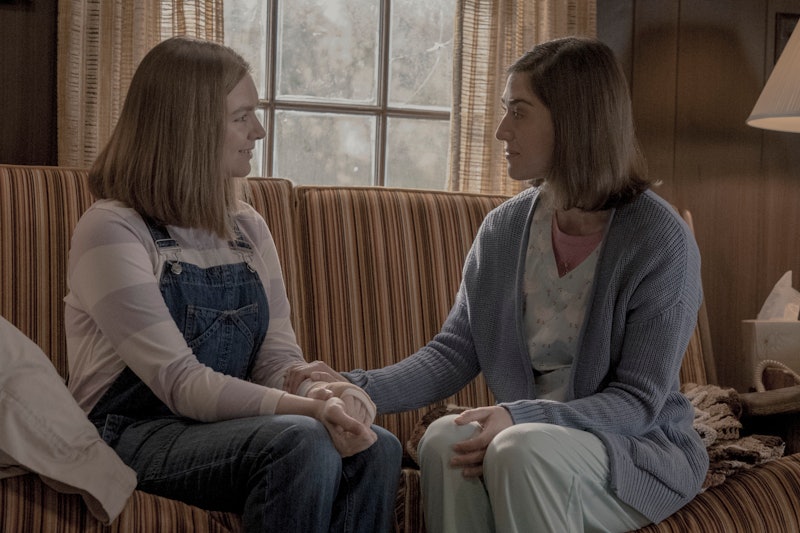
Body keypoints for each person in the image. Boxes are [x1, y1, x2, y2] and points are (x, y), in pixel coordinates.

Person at [285, 36, 709, 532]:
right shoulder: (505, 229)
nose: (502, 130)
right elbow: (453, 352)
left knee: (514, 448)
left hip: (634, 451)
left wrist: (520, 415)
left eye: (520, 112)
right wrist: (357, 385)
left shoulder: (660, 241)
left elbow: (638, 401)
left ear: (574, 121)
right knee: (445, 439)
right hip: (524, 437)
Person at [64, 36, 401, 533]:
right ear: (190, 126)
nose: (259, 131)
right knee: (302, 440)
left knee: (378, 447)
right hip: (127, 435)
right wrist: (310, 409)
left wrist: (328, 393)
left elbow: (276, 361)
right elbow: (180, 384)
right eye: (242, 116)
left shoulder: (248, 228)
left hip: (223, 431)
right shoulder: (111, 230)